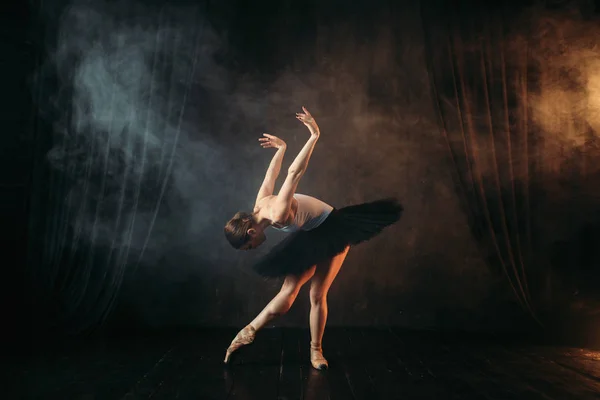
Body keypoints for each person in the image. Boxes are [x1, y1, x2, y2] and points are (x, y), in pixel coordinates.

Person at [223, 106, 403, 370]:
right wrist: (281, 148)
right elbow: (270, 175)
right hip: (309, 235)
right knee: (289, 291)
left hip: (332, 228)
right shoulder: (259, 206)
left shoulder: (279, 214)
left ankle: (315, 351)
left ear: (251, 232)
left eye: (249, 246)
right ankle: (247, 332)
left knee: (317, 294)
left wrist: (313, 136)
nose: (252, 249)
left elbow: (293, 174)